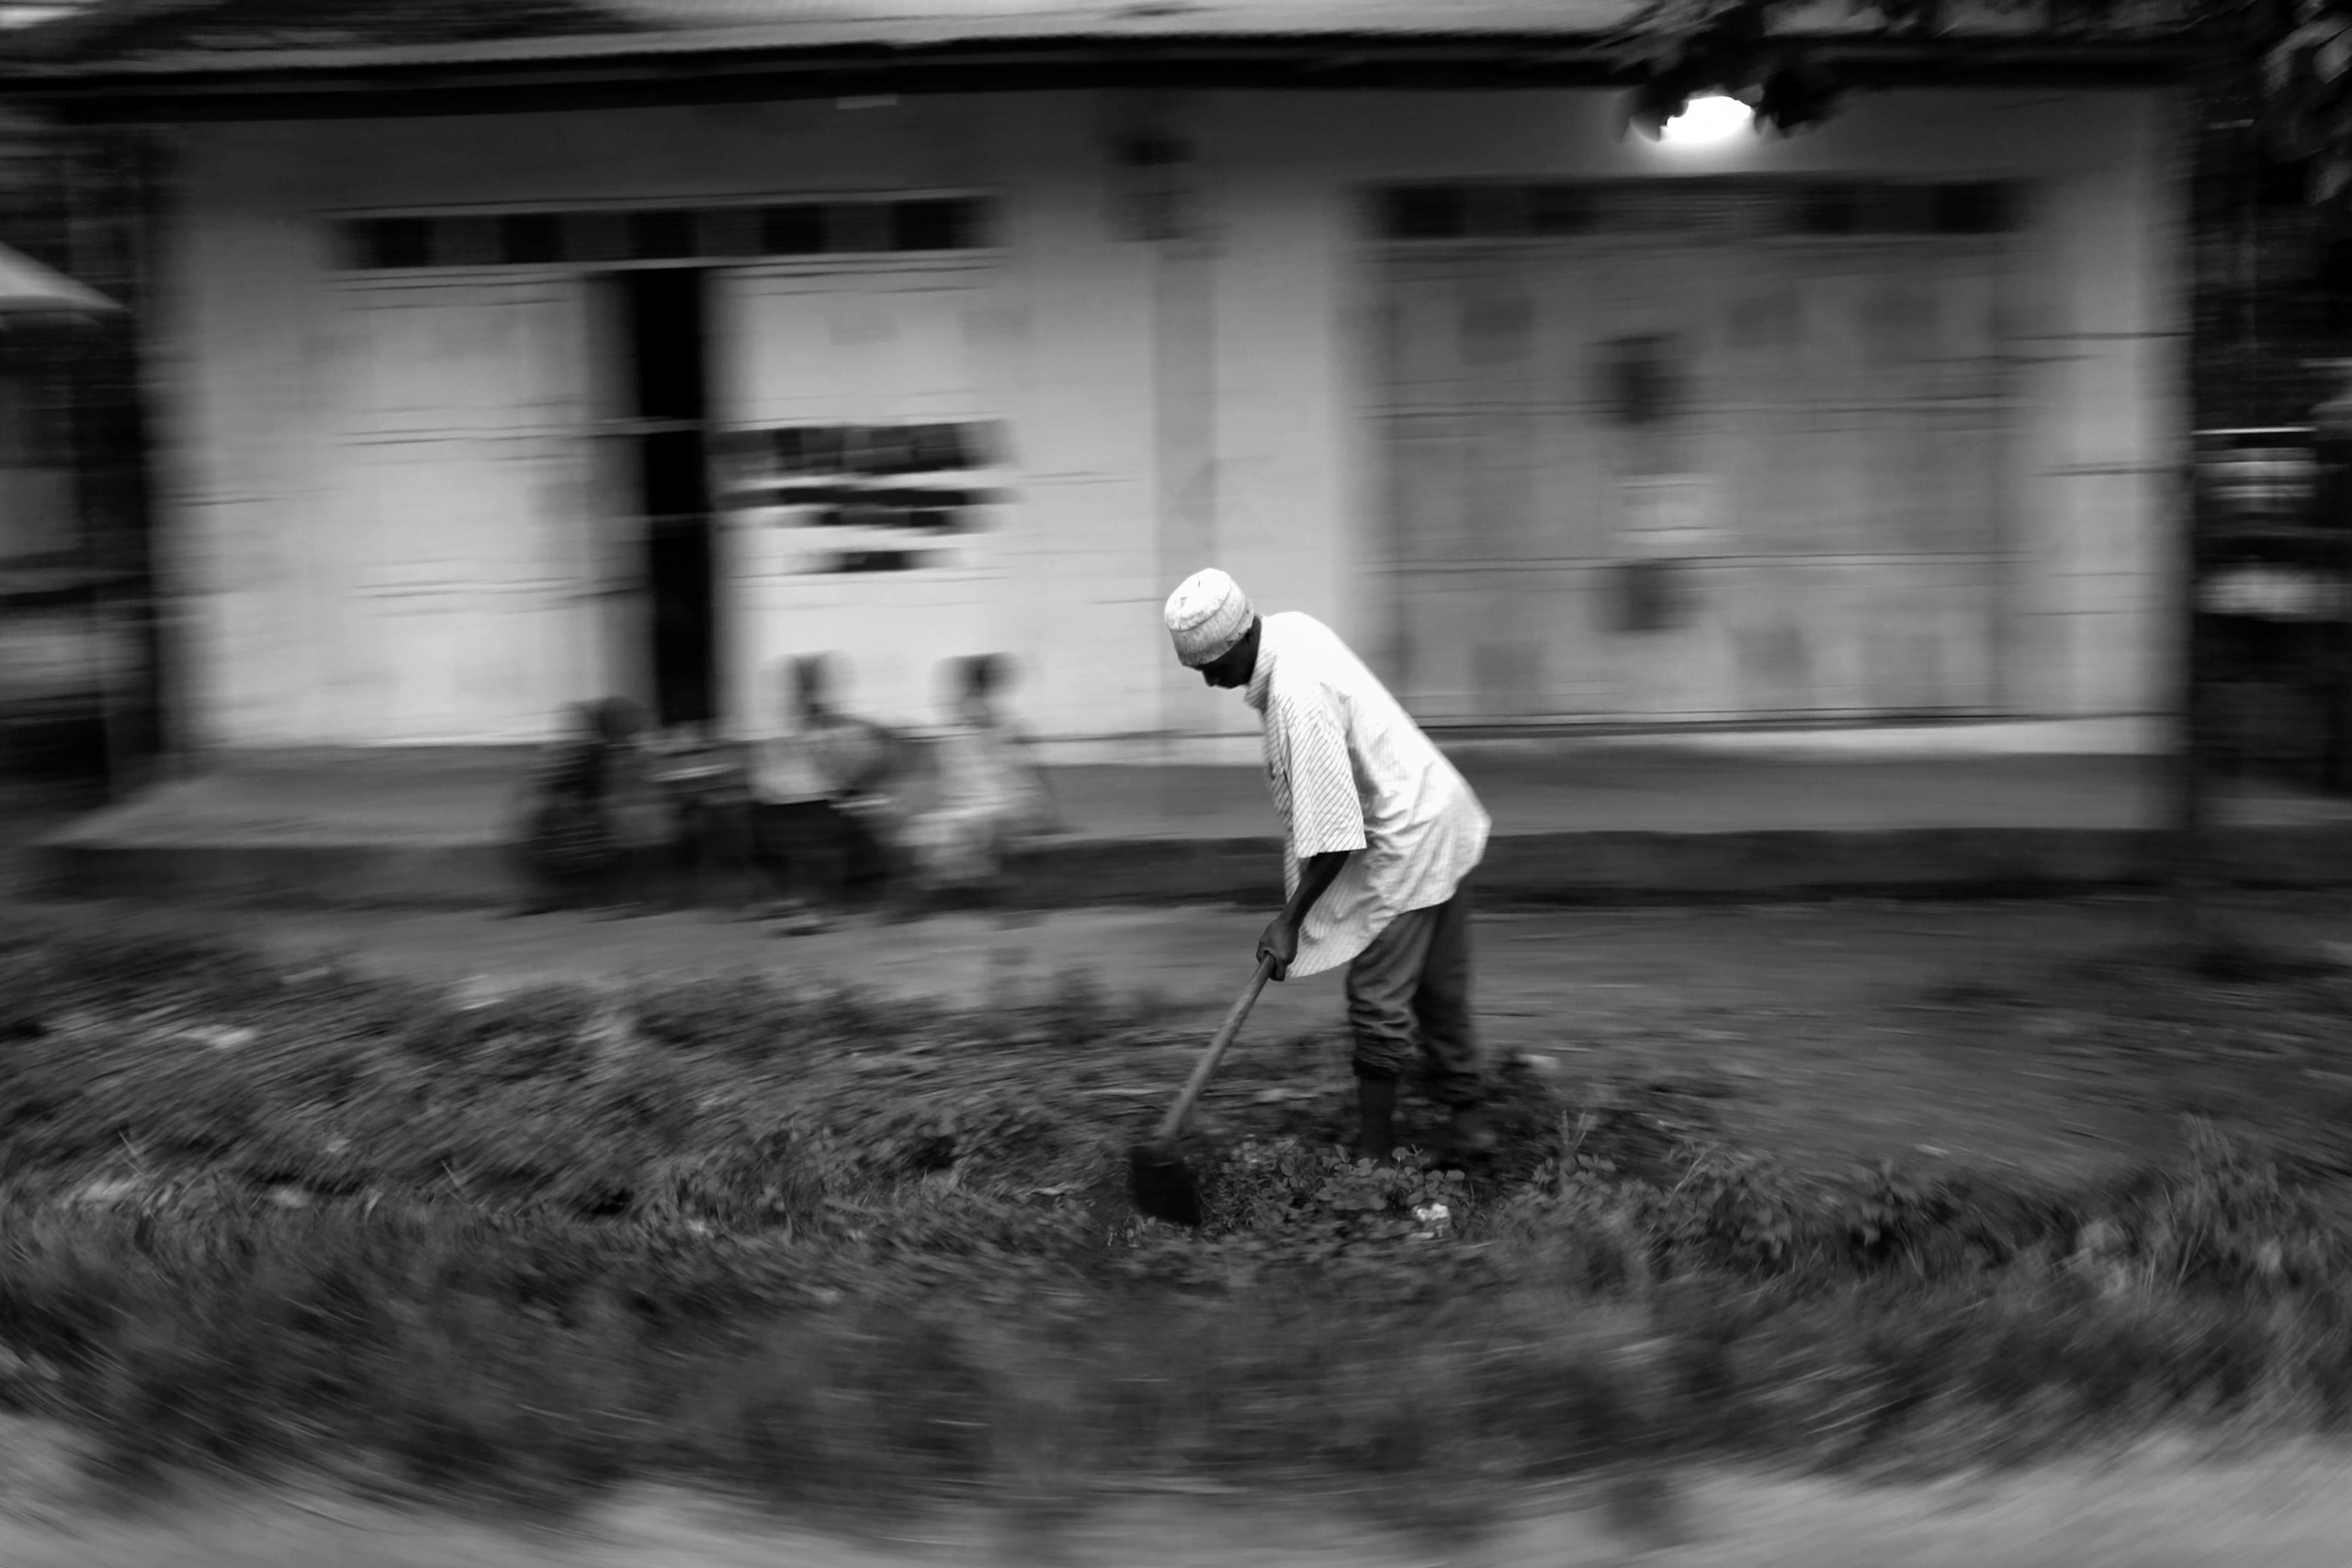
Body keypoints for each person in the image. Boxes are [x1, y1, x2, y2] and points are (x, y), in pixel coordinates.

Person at [1162, 568, 1496, 1166]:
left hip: (1408, 838)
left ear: (1239, 639)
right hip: (1438, 805)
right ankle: (1470, 1123)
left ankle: (1372, 1160)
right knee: (1439, 989)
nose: (1213, 681)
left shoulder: (1295, 694)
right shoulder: (1289, 628)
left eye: (1212, 665)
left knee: (1377, 1000)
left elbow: (1336, 835)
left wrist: (1289, 921)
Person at [747, 654, 910, 928]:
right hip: (803, 803)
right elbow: (778, 774)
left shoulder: (833, 724)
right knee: (762, 817)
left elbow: (877, 748)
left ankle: (820, 905)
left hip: (829, 803)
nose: (802, 695)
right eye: (800, 687)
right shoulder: (793, 726)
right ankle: (800, 897)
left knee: (809, 824)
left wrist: (858, 781)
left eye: (805, 687)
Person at [902, 653, 1058, 904]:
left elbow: (1021, 779)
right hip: (987, 805)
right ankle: (966, 878)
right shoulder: (967, 729)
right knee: (928, 828)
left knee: (963, 824)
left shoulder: (1000, 726)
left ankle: (972, 881)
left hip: (1008, 805)